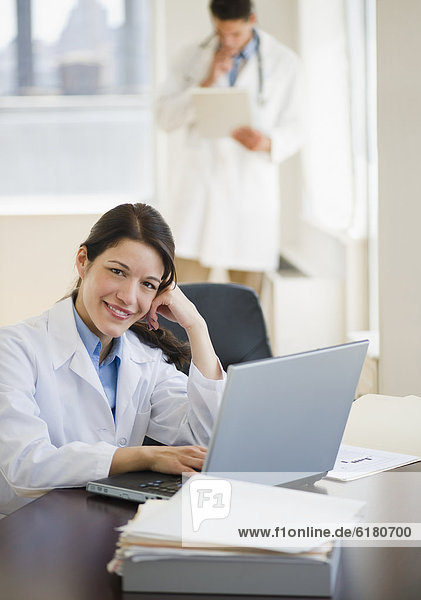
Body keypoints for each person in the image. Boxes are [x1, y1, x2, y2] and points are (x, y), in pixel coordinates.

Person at [0, 203, 225, 515]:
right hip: (27, 534)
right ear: (83, 261)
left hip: (105, 522)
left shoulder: (145, 358)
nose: (128, 297)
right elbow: (25, 466)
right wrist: (143, 456)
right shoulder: (14, 348)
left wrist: (196, 326)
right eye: (118, 272)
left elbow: (206, 439)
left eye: (147, 284)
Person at [157, 0, 301, 294]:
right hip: (199, 197)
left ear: (252, 19)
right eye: (220, 33)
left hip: (248, 197)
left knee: (245, 306)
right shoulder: (193, 57)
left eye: (235, 34)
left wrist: (268, 143)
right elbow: (165, 117)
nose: (227, 41)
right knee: (179, 302)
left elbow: (298, 126)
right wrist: (206, 83)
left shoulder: (283, 62)